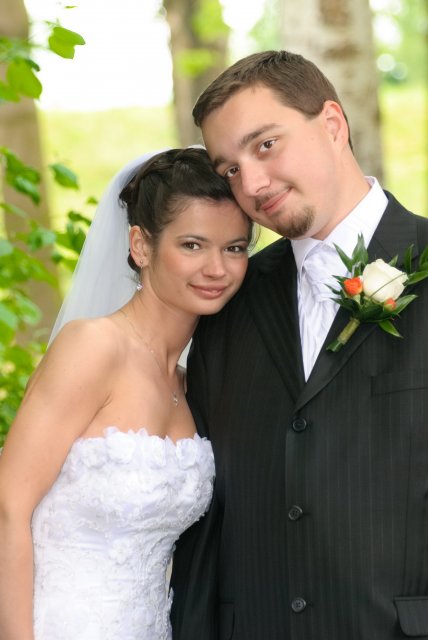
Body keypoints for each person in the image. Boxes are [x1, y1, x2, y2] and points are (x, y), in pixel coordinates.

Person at [170, 50, 428, 640]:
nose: (252, 185)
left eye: (265, 145)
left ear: (332, 124)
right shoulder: (226, 303)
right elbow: (210, 520)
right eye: (229, 169)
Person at [0, 146, 252, 640]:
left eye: (235, 248)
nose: (217, 269)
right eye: (193, 245)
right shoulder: (93, 347)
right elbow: (8, 507)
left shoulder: (190, 382)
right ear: (141, 245)